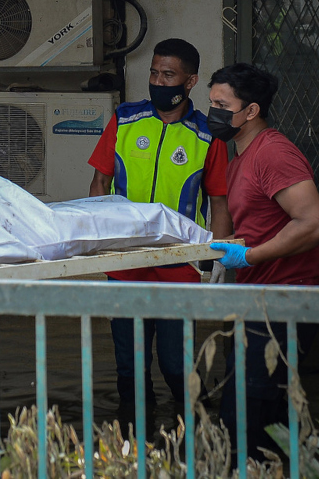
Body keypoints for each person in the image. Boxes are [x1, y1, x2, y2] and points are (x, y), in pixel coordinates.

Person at [88, 38, 231, 414]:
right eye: (154, 72)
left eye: (168, 75)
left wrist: (218, 254)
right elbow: (100, 182)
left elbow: (219, 201)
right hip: (125, 261)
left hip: (179, 265)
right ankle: (136, 440)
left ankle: (201, 434)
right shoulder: (125, 119)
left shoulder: (207, 135)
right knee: (130, 368)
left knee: (176, 365)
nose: (158, 81)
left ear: (190, 81)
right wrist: (100, 240)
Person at [207, 63, 319, 458]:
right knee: (264, 412)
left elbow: (315, 224)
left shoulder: (273, 153)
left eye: (222, 106)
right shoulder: (239, 157)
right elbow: (252, 222)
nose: (213, 112)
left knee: (246, 414)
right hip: (258, 299)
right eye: (211, 103)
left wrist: (249, 256)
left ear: (251, 111)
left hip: (285, 301)